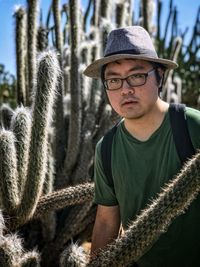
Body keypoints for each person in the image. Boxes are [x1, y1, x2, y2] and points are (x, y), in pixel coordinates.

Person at [83, 26, 200, 267]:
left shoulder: (192, 126)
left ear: (160, 76)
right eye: (113, 80)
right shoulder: (106, 148)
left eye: (137, 76)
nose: (125, 89)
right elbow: (106, 222)